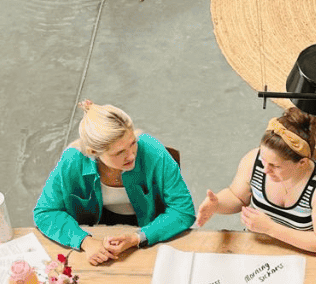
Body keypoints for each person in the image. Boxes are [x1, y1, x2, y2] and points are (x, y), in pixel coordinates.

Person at [34, 101, 196, 266]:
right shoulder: (72, 161)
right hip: (95, 232)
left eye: (132, 143)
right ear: (93, 152)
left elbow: (183, 211)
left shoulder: (153, 151)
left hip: (150, 228)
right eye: (119, 152)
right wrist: (85, 241)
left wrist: (137, 238)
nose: (131, 156)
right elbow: (45, 212)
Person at [196, 107, 316, 255]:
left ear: (302, 163)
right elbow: (237, 197)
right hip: (261, 251)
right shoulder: (253, 161)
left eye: (275, 166)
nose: (265, 170)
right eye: (263, 159)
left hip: (307, 256)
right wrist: (217, 204)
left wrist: (270, 229)